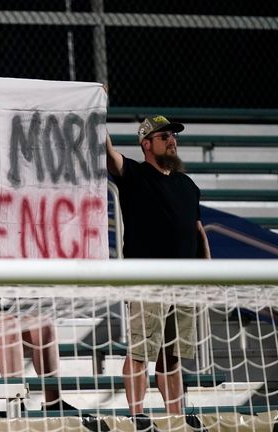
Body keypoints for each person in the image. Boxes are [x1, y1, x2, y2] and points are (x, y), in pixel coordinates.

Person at [106, 116, 211, 425]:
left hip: (186, 281)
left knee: (173, 354)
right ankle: (137, 415)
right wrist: (96, 111)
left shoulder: (188, 185)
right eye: (164, 136)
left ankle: (174, 416)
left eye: (173, 136)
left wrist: (205, 273)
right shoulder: (135, 174)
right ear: (146, 143)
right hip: (147, 280)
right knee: (140, 351)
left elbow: (198, 232)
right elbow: (109, 155)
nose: (172, 140)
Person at [0, 314, 77, 413]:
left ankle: (54, 403)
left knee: (43, 324)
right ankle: (16, 404)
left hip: (14, 317)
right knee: (8, 325)